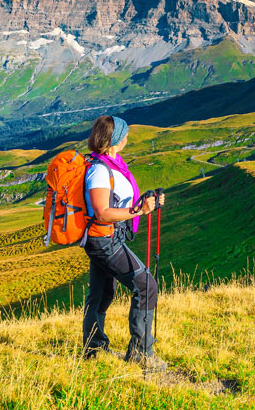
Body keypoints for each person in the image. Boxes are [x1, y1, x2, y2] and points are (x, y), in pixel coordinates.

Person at [81, 114, 166, 372]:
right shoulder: (98, 169)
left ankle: (93, 350)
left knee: (102, 292)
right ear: (116, 139)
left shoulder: (114, 164)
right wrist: (139, 212)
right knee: (146, 285)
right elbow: (102, 212)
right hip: (104, 239)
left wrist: (146, 202)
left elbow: (121, 202)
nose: (128, 137)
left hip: (107, 237)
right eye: (124, 133)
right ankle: (140, 353)